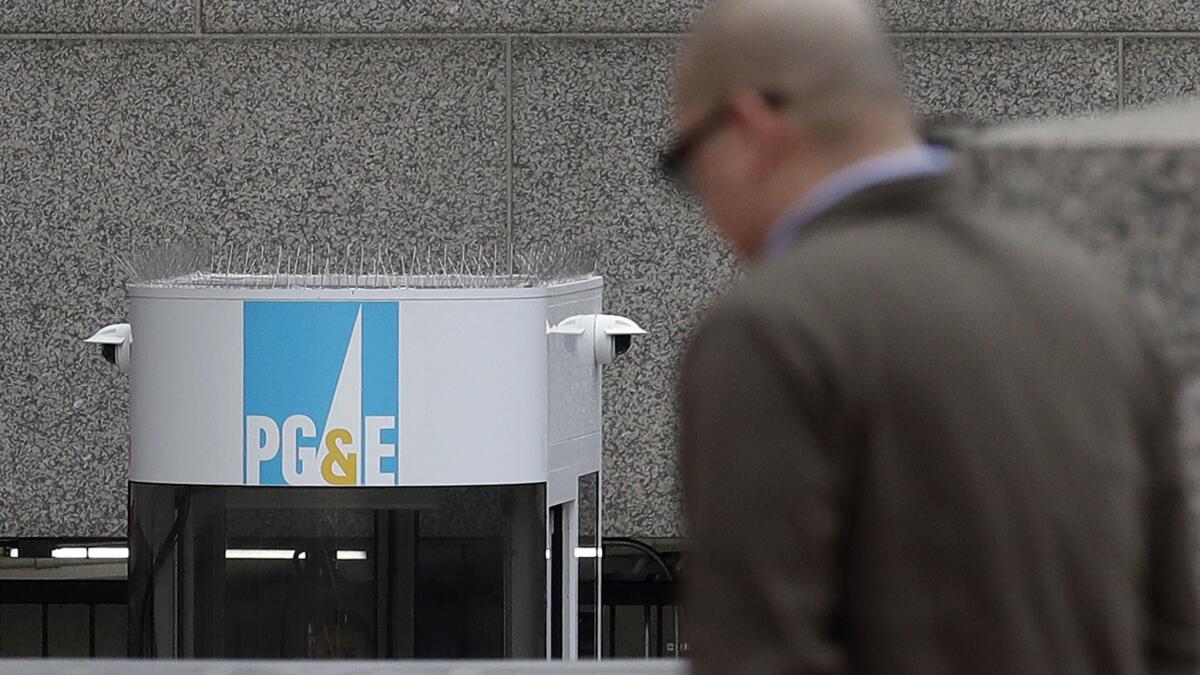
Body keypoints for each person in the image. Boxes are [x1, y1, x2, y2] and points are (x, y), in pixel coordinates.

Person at [671, 1, 1200, 673]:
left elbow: (754, 653)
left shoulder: (775, 328)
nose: (707, 202)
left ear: (749, 127)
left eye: (689, 162)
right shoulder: (1094, 301)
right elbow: (1176, 638)